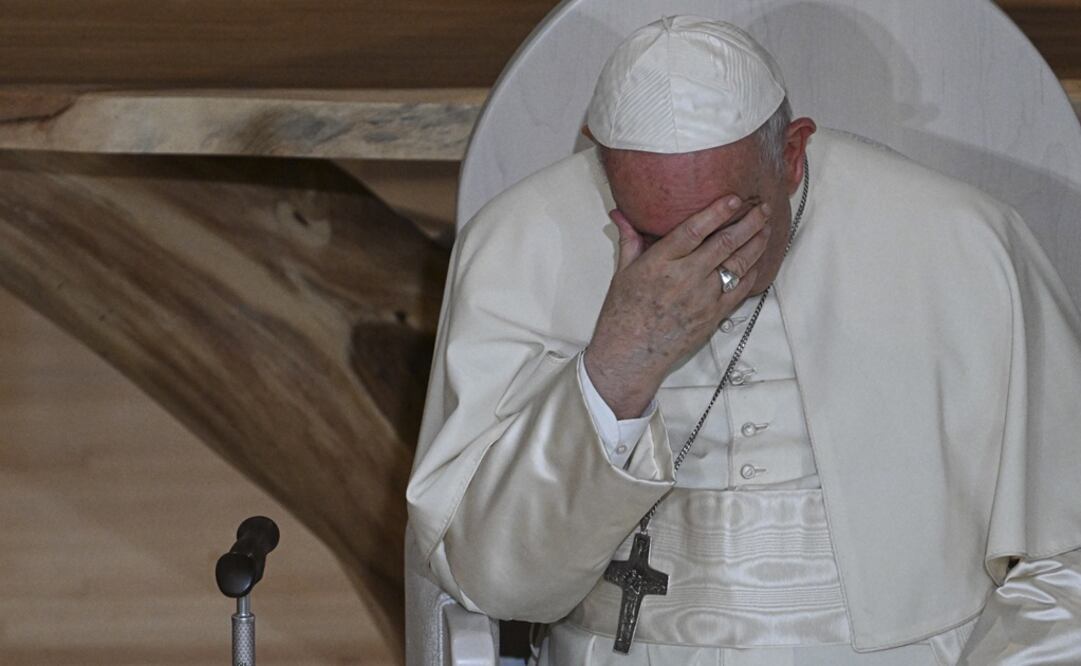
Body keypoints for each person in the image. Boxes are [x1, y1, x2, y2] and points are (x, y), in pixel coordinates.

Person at [407, 16, 1081, 665]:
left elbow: (1066, 559)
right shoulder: (518, 242)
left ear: (790, 156)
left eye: (728, 223)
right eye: (656, 233)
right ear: (598, 160)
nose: (702, 264)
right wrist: (619, 363)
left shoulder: (957, 238)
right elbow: (494, 582)